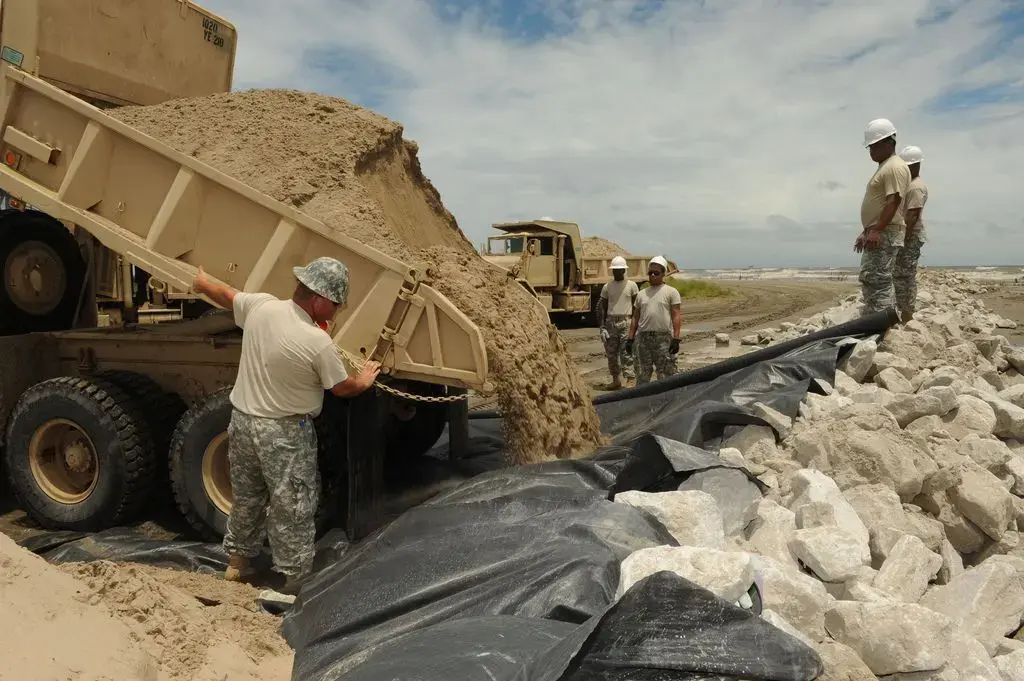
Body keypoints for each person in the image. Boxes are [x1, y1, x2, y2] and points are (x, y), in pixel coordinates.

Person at [192, 256, 381, 593]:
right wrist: (364, 381)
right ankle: (294, 579)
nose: (338, 311)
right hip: (284, 433)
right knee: (292, 502)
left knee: (247, 497)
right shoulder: (316, 342)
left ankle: (236, 564)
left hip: (243, 425)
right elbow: (341, 388)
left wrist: (203, 283)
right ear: (319, 301)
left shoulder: (262, 307)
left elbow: (226, 295)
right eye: (336, 304)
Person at [854, 118, 912, 315]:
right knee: (874, 279)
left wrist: (877, 229)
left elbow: (893, 201)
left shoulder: (894, 167)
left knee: (877, 280)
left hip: (886, 232)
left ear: (889, 142)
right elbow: (881, 204)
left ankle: (880, 325)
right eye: (869, 147)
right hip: (881, 230)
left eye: (874, 146)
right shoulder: (886, 166)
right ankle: (879, 321)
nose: (871, 151)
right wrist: (867, 230)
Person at [625, 255, 682, 384]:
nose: (652, 276)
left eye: (656, 273)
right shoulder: (641, 294)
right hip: (643, 340)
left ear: (663, 274)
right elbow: (635, 317)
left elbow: (676, 315)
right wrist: (630, 338)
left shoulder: (671, 292)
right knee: (642, 376)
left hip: (663, 339)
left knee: (667, 376)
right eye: (650, 273)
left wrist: (676, 339)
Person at [892, 145, 928, 322]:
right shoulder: (911, 184)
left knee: (904, 275)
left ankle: (906, 312)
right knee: (902, 274)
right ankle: (903, 309)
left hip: (911, 235)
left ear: (914, 165)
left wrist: (902, 240)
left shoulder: (915, 187)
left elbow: (911, 216)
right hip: (909, 234)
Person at [598, 256, 639, 389]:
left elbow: (636, 306)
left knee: (627, 352)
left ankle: (630, 378)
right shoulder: (607, 287)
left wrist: (636, 324)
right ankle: (616, 379)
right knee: (611, 353)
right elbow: (602, 307)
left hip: (626, 322)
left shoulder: (632, 286)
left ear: (624, 270)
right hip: (611, 323)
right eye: (614, 270)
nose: (617, 272)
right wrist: (602, 326)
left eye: (619, 270)